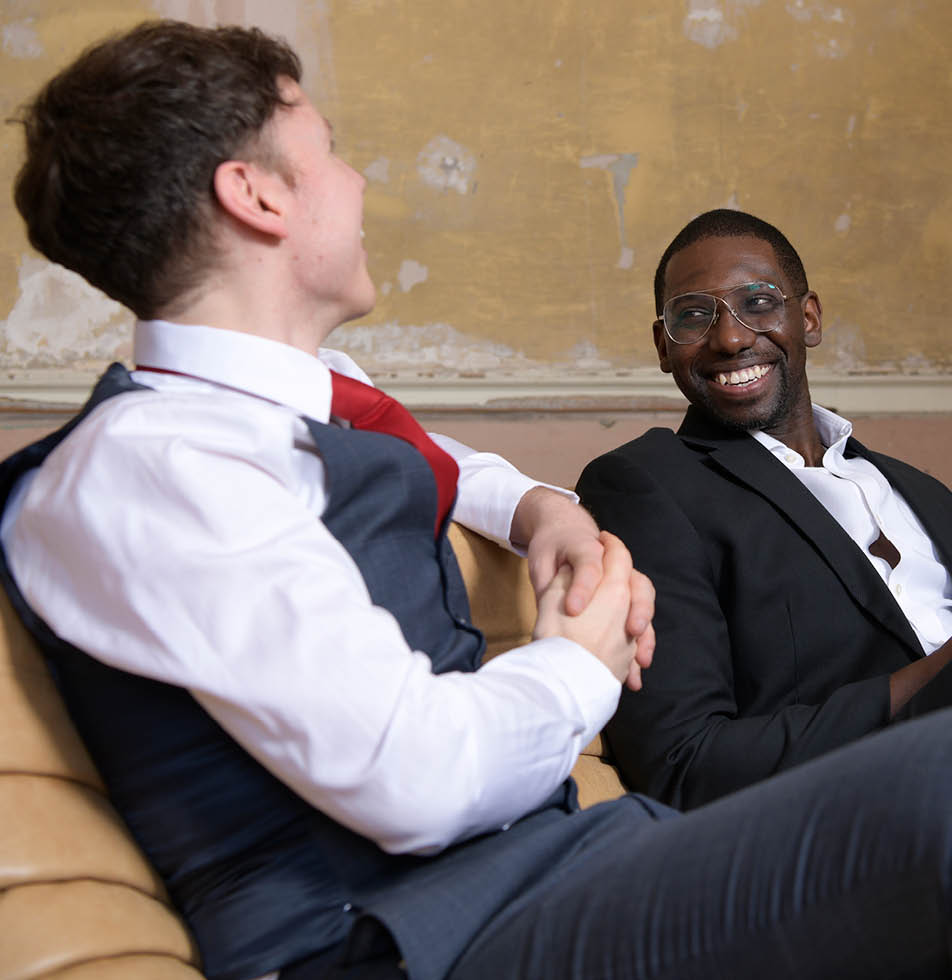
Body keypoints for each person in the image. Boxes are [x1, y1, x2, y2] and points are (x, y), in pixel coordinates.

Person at [3, 23, 952, 980]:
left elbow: (451, 465)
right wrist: (581, 659)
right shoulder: (152, 467)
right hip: (405, 941)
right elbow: (415, 777)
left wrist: (549, 512)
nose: (358, 180)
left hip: (561, 870)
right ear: (255, 195)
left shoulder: (298, 402)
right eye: (326, 149)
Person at [578, 208, 952, 811]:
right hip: (868, 819)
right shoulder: (648, 485)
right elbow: (683, 762)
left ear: (808, 318)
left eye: (758, 302)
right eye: (694, 316)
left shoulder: (922, 492)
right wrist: (934, 681)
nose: (730, 338)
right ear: (662, 345)